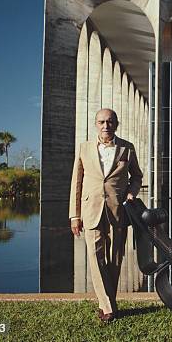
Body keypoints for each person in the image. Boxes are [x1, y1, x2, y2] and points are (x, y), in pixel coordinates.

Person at [69, 108, 143, 323]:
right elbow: (77, 183)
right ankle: (108, 307)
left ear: (116, 124)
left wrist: (131, 192)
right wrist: (75, 215)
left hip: (118, 210)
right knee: (95, 258)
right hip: (90, 210)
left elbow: (137, 176)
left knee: (116, 259)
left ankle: (107, 303)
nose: (106, 125)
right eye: (101, 121)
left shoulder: (127, 148)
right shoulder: (84, 149)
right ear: (95, 124)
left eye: (110, 121)